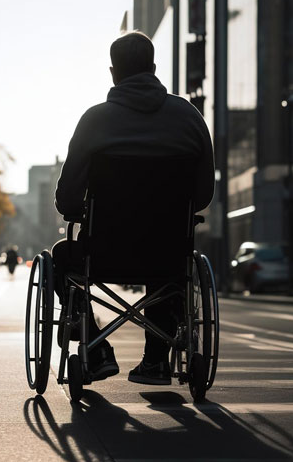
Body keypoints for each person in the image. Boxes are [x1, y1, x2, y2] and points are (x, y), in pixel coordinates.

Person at [51, 31, 214, 385]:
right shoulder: (189, 118)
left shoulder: (94, 121)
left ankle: (95, 349)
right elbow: (202, 196)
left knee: (62, 256)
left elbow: (66, 199)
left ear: (113, 73)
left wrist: (79, 208)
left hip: (105, 251)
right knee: (171, 267)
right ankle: (156, 359)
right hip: (167, 250)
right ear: (153, 68)